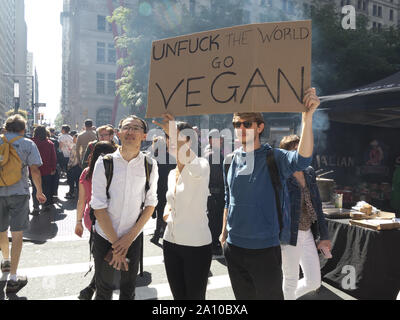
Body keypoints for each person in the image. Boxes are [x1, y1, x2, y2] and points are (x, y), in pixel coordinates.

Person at [220, 88, 320, 300]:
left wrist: (307, 119)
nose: (241, 128)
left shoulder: (274, 157)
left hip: (265, 249)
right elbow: (229, 199)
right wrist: (223, 234)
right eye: (237, 124)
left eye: (247, 123)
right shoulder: (229, 160)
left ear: (259, 127)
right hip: (234, 248)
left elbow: (302, 160)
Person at [90, 115, 158, 300]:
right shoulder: (105, 162)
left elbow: (151, 204)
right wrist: (116, 244)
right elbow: (98, 206)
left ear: (144, 135)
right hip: (105, 237)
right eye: (127, 127)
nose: (131, 131)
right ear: (119, 133)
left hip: (132, 237)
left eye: (136, 128)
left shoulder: (150, 165)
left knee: (128, 289)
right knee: (103, 290)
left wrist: (127, 240)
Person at [153, 114, 212, 300]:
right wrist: (166, 214)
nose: (171, 141)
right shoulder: (171, 173)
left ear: (189, 141)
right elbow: (168, 203)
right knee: (178, 297)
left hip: (196, 245)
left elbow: (188, 159)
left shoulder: (201, 165)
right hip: (170, 243)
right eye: (169, 137)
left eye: (177, 136)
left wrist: (173, 130)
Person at [279, 134, 331, 300]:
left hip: (307, 232)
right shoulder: (283, 176)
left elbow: (318, 206)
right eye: (295, 151)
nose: (301, 154)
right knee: (290, 280)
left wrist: (324, 236)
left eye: (301, 150)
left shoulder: (309, 173)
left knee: (314, 281)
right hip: (288, 234)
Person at [0, 115, 46, 294]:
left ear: (6, 127)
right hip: (19, 193)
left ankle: (5, 260)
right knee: (17, 233)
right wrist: (39, 192)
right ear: (23, 129)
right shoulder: (28, 144)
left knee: (1, 230)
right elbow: (34, 170)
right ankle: (12, 278)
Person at [75, 141, 117, 300]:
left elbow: (81, 201)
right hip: (108, 217)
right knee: (107, 256)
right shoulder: (115, 170)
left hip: (89, 217)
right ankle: (92, 287)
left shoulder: (86, 172)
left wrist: (78, 222)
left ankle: (92, 287)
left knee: (101, 253)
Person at [149, 136, 175, 246]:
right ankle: (161, 234)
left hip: (157, 188)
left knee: (160, 213)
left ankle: (158, 235)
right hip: (169, 187)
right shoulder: (171, 158)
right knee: (166, 211)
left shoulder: (153, 159)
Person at [203, 129, 225, 256]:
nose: (221, 140)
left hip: (212, 193)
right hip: (215, 193)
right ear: (211, 140)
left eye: (221, 138)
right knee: (215, 220)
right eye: (218, 138)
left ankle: (213, 243)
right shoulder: (213, 154)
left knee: (213, 219)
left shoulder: (211, 152)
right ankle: (214, 244)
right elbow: (218, 177)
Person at [31, 126, 57, 214]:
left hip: (33, 169)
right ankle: (45, 205)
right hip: (47, 170)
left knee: (35, 188)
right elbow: (53, 158)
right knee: (46, 188)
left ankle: (36, 207)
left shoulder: (31, 143)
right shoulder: (50, 143)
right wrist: (53, 168)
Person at [65, 133, 82, 199]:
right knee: (78, 182)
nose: (73, 139)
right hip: (79, 166)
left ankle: (71, 193)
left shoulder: (75, 146)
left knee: (71, 181)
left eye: (74, 138)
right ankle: (79, 195)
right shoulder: (82, 146)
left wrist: (69, 165)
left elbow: (72, 158)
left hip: (73, 166)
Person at [48, 128, 62, 200]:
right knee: (55, 179)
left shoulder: (38, 142)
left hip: (45, 164)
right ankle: (54, 192)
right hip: (55, 162)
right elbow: (59, 152)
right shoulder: (55, 141)